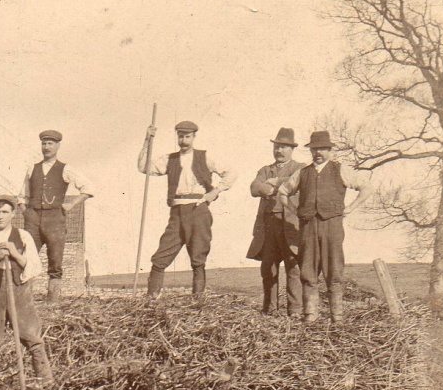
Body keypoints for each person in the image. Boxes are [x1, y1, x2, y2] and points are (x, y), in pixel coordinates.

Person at [277, 131, 373, 323]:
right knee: (308, 270)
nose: (318, 153)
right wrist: (295, 210)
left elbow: (366, 188)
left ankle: (337, 316)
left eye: (322, 149)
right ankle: (310, 315)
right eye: (314, 149)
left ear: (330, 151)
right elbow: (283, 191)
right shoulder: (302, 173)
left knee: (334, 270)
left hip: (332, 226)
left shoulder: (340, 169)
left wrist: (350, 208)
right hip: (308, 227)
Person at [138, 120, 235, 298]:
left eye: (187, 136)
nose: (183, 140)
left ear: (194, 137)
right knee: (160, 257)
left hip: (198, 210)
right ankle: (151, 300)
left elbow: (230, 172)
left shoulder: (204, 157)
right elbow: (144, 167)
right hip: (176, 212)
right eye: (180, 136)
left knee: (198, 257)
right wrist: (147, 141)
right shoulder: (170, 159)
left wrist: (215, 192)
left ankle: (198, 301)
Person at [0, 196, 52, 380]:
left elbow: (34, 267)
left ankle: (46, 381)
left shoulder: (23, 236)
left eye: (5, 212)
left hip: (19, 291)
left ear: (13, 214)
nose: (0, 216)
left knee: (32, 336)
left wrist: (14, 253)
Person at [18, 130, 93, 301]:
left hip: (55, 220)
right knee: (27, 258)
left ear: (58, 146)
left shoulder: (65, 169)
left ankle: (52, 303)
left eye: (50, 144)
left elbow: (88, 188)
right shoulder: (32, 168)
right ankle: (24, 300)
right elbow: (22, 195)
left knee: (55, 261)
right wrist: (26, 212)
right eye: (44, 144)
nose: (46, 147)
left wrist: (71, 204)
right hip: (33, 219)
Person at [247, 128, 307, 314]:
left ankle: (295, 311)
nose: (279, 151)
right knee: (268, 268)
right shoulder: (265, 170)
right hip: (268, 224)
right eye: (277, 147)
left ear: (292, 149)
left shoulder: (300, 168)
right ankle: (270, 309)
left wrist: (275, 181)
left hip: (289, 224)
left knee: (293, 267)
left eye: (284, 147)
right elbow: (254, 187)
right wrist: (274, 188)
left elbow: (299, 181)